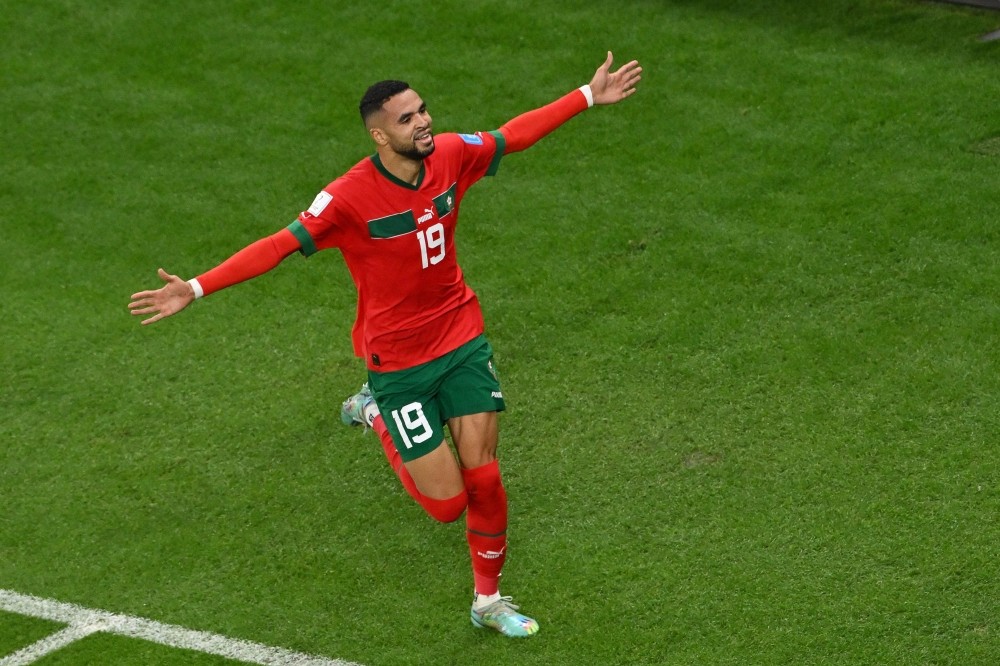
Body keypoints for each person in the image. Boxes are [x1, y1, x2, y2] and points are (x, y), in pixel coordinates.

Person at [129, 52, 642, 638]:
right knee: (447, 505)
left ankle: (488, 600)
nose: (423, 123)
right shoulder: (347, 198)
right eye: (407, 119)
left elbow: (511, 136)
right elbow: (277, 246)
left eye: (423, 110)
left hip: (461, 338)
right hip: (397, 366)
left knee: (486, 479)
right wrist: (196, 287)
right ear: (379, 134)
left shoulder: (450, 153)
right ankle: (374, 411)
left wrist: (585, 96)